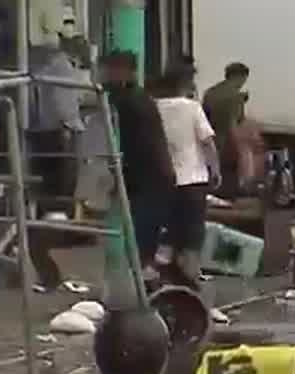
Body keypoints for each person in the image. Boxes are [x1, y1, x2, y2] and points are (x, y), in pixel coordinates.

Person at [100, 51, 175, 271]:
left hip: (149, 177)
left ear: (124, 72)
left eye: (109, 70)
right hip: (147, 176)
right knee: (142, 233)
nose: (104, 75)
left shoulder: (132, 100)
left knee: (143, 234)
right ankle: (143, 278)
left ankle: (144, 281)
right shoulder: (137, 98)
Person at [151, 64, 219, 289]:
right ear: (185, 84)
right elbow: (207, 142)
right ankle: (188, 283)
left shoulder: (155, 108)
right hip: (194, 180)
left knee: (169, 231)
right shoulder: (192, 108)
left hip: (165, 181)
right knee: (192, 236)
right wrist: (215, 170)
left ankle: (163, 279)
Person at [30, 32, 91, 216]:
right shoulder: (62, 67)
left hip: (51, 128)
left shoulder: (53, 66)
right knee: (63, 179)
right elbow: (62, 102)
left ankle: (54, 213)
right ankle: (59, 215)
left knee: (53, 179)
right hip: (61, 129)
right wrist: (67, 125)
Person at [202, 63, 250, 194]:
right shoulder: (236, 96)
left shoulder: (210, 92)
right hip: (227, 141)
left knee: (211, 173)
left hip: (210, 139)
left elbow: (204, 116)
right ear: (239, 76)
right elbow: (236, 122)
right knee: (228, 177)